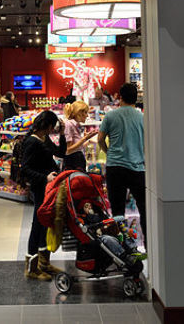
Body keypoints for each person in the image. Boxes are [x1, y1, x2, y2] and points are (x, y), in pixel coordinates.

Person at [98, 83, 147, 246]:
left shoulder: (111, 116)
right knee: (144, 208)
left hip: (115, 167)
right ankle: (148, 246)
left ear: (120, 96)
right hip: (138, 168)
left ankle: (120, 249)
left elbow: (100, 139)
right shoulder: (142, 117)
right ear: (136, 98)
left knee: (118, 211)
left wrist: (109, 152)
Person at [21, 110, 67, 280]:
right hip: (40, 188)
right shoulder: (32, 142)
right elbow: (25, 168)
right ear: (48, 125)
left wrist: (62, 135)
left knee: (45, 223)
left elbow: (60, 152)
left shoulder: (44, 138)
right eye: (53, 126)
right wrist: (45, 177)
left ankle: (43, 263)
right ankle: (31, 267)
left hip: (49, 188)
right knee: (38, 224)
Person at [61, 100, 97, 172]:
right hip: (72, 163)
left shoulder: (75, 125)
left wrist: (88, 139)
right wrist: (84, 138)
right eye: (85, 112)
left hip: (77, 161)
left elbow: (77, 147)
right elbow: (68, 150)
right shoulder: (69, 125)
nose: (87, 115)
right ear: (79, 113)